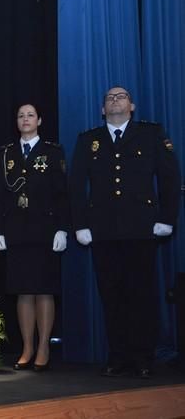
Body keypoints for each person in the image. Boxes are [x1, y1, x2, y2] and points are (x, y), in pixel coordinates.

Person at [70, 86, 181, 378]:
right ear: (102, 109)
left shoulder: (151, 133)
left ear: (132, 106)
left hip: (141, 228)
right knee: (112, 295)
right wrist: (80, 223)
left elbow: (170, 177)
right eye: (109, 98)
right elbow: (76, 186)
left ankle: (143, 356)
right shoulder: (88, 140)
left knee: (141, 295)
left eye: (121, 97)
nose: (115, 100)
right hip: (103, 230)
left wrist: (167, 218)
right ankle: (117, 356)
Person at [0, 104, 69, 372]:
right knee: (23, 291)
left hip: (45, 230)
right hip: (16, 231)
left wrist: (62, 228)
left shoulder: (52, 152)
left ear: (39, 120)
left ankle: (44, 346)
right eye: (21, 116)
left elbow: (61, 193)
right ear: (17, 122)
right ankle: (27, 346)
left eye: (30, 115)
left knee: (44, 290)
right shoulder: (7, 154)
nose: (25, 119)